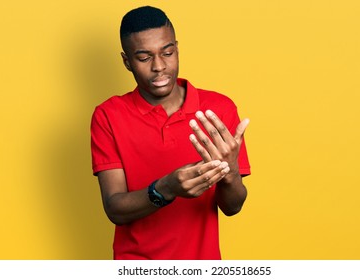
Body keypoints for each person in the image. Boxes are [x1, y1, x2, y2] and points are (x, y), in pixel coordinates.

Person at [90, 5, 251, 260]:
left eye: (167, 53)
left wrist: (230, 172)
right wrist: (166, 188)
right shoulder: (108, 115)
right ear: (127, 61)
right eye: (144, 58)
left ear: (177, 48)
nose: (159, 66)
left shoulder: (218, 110)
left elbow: (232, 207)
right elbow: (115, 208)